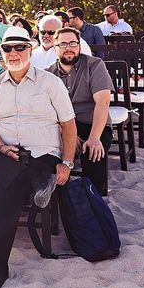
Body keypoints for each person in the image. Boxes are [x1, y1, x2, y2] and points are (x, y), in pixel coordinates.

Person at [0, 26, 77, 288]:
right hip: (7, 154)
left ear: (30, 49)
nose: (13, 53)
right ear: (2, 53)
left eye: (20, 47)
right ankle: (35, 180)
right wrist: (2, 148)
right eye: (8, 48)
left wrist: (66, 163)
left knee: (8, 185)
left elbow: (69, 127)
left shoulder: (51, 83)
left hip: (42, 154)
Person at [47, 27, 113, 196]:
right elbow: (47, 111)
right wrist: (67, 134)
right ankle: (60, 198)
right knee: (49, 152)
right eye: (63, 44)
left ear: (79, 46)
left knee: (93, 152)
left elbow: (103, 102)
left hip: (92, 123)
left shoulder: (94, 65)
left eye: (73, 43)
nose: (68, 47)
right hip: (63, 125)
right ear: (55, 48)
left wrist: (94, 138)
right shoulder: (48, 74)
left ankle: (95, 199)